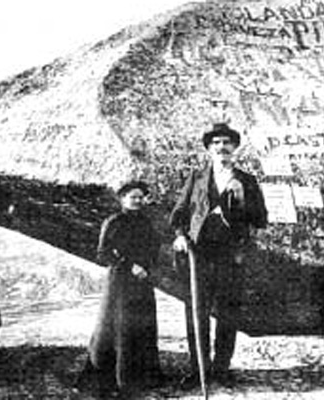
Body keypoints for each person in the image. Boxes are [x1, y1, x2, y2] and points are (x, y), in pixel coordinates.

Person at [169, 123, 268, 388]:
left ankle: (222, 370)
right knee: (196, 313)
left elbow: (260, 219)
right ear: (209, 148)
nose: (222, 147)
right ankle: (198, 369)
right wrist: (180, 235)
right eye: (216, 143)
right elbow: (179, 213)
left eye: (227, 142)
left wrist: (242, 199)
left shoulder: (247, 180)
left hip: (230, 255)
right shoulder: (196, 177)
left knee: (228, 313)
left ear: (235, 148)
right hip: (198, 255)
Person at [77, 180, 164, 396]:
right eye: (132, 197)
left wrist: (146, 267)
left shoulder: (146, 222)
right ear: (122, 199)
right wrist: (129, 265)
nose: (137, 201)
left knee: (142, 323)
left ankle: (142, 375)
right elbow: (103, 253)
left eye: (140, 197)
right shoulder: (114, 222)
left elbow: (154, 247)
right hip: (121, 283)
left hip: (142, 281)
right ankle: (118, 376)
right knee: (119, 325)